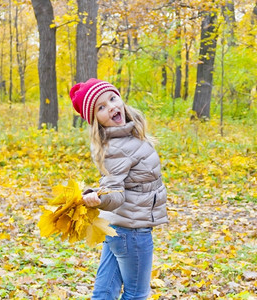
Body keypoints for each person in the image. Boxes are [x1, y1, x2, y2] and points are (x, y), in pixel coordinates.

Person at [69, 78, 168, 299]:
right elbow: (115, 192)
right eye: (101, 107)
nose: (111, 106)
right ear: (96, 121)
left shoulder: (125, 134)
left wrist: (96, 194)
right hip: (132, 231)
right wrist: (100, 198)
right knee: (136, 295)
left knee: (104, 292)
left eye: (112, 98)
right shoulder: (117, 146)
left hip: (119, 228)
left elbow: (119, 181)